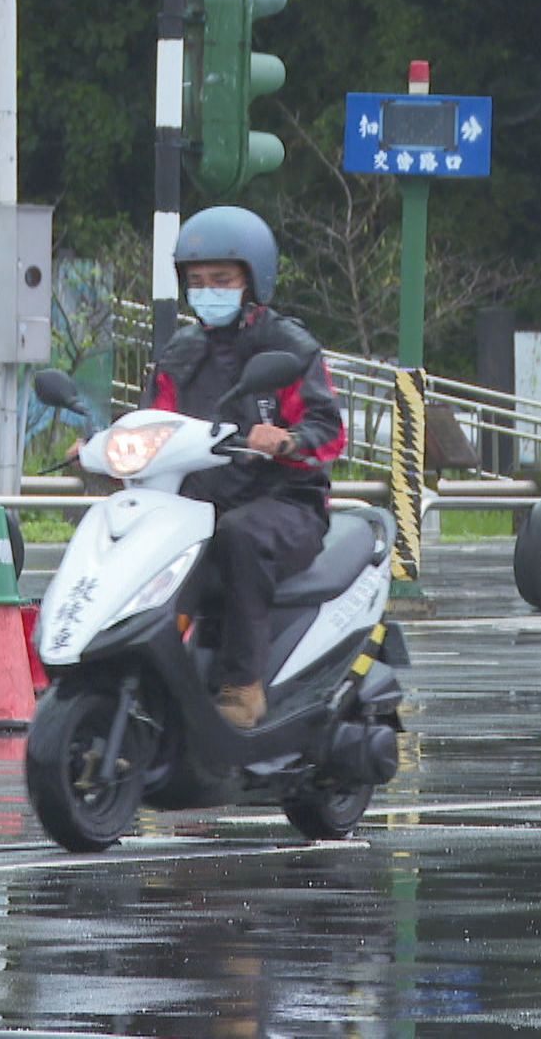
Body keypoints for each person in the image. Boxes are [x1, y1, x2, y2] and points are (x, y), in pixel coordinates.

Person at [145, 206, 346, 728]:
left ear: (253, 280)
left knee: (238, 535)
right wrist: (106, 443)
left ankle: (243, 685)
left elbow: (329, 429)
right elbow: (155, 422)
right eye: (197, 281)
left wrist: (287, 439)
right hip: (199, 504)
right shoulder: (180, 353)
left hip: (286, 504)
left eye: (222, 279)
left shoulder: (288, 347)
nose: (208, 290)